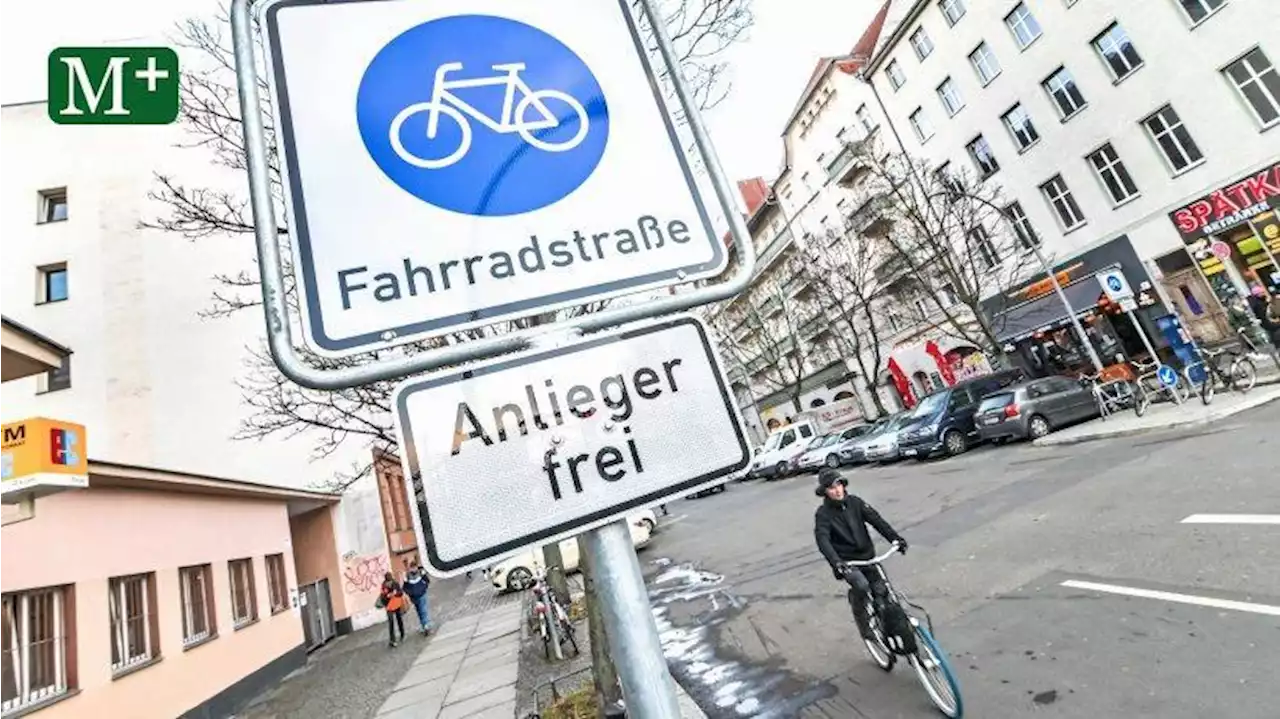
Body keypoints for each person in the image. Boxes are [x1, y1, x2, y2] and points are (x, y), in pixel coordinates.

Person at [813, 469, 907, 639]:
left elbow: (877, 521)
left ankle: (889, 627)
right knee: (862, 586)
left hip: (868, 557)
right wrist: (837, 563)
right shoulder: (823, 514)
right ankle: (863, 625)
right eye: (831, 488)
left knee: (882, 592)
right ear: (825, 492)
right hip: (848, 563)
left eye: (839, 485)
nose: (837, 490)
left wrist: (895, 539)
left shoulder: (855, 503)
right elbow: (823, 540)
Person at [402, 560, 432, 635]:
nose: (413, 569)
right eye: (412, 567)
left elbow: (427, 581)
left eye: (414, 567)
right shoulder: (407, 575)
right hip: (414, 597)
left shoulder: (421, 572)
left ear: (416, 567)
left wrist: (423, 588)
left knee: (423, 610)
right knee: (419, 611)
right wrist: (410, 593)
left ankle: (426, 626)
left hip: (421, 595)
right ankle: (423, 625)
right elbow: (405, 587)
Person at [378, 572, 407, 648]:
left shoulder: (395, 583)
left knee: (399, 619)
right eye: (388, 582)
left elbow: (400, 592)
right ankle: (392, 640)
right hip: (389, 606)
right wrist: (387, 596)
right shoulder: (383, 586)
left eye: (390, 582)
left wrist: (396, 593)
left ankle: (402, 634)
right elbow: (382, 597)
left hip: (396, 604)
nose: (389, 584)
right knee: (391, 622)